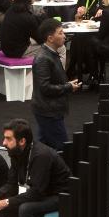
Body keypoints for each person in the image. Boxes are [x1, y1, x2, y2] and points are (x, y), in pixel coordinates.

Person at [0, 119, 71, 217]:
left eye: (8, 139)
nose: (4, 143)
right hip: (41, 193)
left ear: (22, 141)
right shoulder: (16, 153)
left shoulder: (41, 156)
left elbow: (36, 193)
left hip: (60, 196)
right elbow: (11, 185)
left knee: (25, 208)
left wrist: (6, 202)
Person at [32, 19, 82, 150]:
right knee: (61, 148)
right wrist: (68, 87)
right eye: (60, 33)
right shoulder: (43, 58)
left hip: (48, 109)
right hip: (48, 111)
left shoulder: (51, 54)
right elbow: (45, 88)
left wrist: (67, 84)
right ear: (50, 38)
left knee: (43, 147)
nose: (64, 36)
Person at [0, 0, 66, 63]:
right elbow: (40, 39)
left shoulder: (11, 10)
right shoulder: (26, 17)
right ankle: (59, 74)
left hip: (7, 48)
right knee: (60, 47)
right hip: (18, 52)